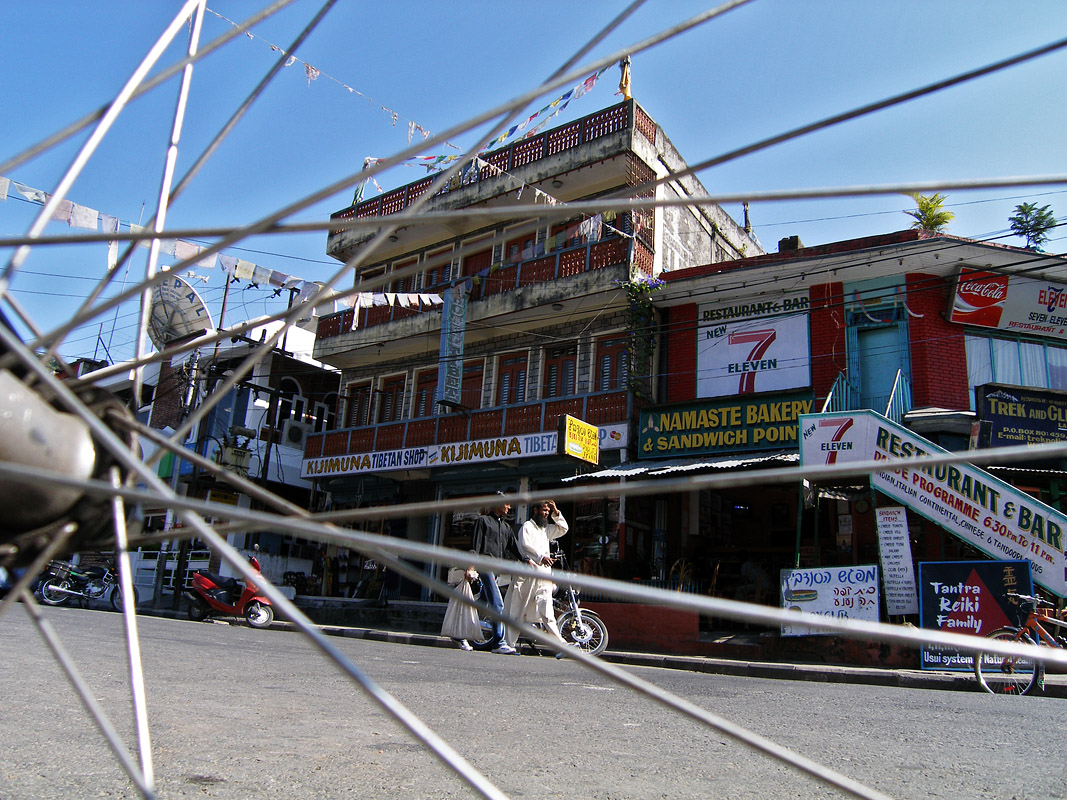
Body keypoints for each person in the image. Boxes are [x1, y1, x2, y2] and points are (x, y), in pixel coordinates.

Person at [504, 499, 569, 657]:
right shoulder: (527, 526)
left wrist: (556, 511)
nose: (546, 514)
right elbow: (525, 546)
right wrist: (541, 557)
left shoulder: (546, 529)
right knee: (517, 610)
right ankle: (508, 644)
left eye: (548, 511)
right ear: (535, 510)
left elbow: (563, 529)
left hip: (544, 576)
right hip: (527, 575)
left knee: (547, 612)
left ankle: (562, 646)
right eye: (544, 510)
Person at [468, 491, 519, 654]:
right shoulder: (483, 521)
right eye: (507, 503)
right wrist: (470, 567)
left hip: (496, 570)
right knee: (497, 604)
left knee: (483, 603)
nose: (509, 507)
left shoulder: (506, 527)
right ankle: (498, 642)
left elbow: (514, 548)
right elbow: (475, 546)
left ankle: (462, 630)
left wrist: (529, 562)